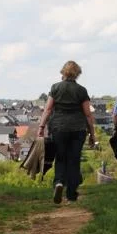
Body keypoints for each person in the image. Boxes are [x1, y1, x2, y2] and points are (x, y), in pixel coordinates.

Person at [37, 61, 97, 205]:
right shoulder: (81, 90)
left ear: (63, 72)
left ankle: (58, 183)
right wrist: (92, 134)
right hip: (78, 129)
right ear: (77, 74)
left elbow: (48, 109)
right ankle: (71, 193)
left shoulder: (55, 88)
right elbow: (88, 114)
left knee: (61, 157)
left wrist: (41, 126)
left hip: (58, 128)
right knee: (74, 159)